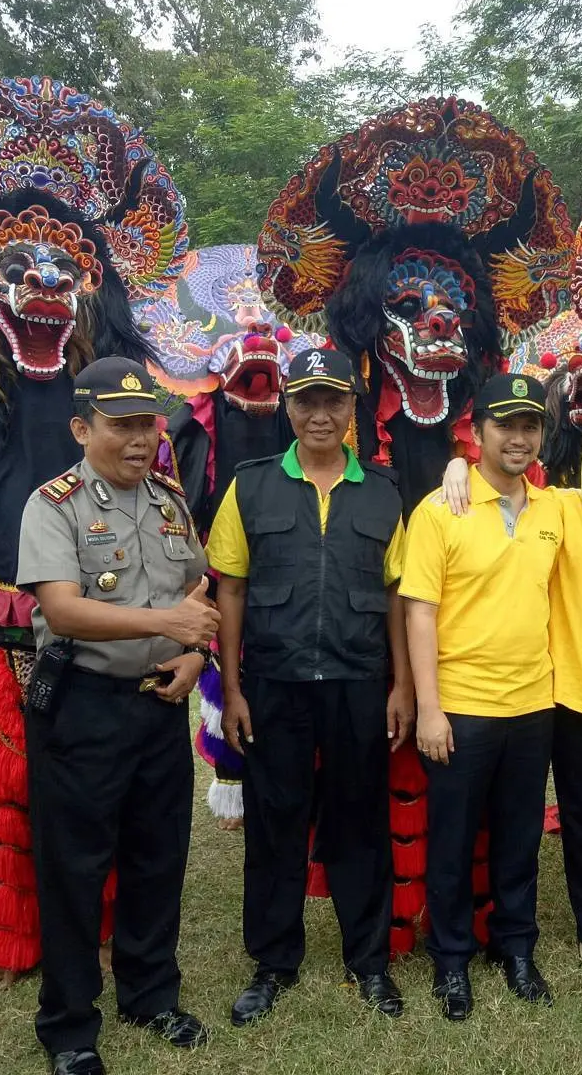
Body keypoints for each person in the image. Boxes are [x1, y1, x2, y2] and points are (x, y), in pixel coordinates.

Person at [16, 358, 218, 1075]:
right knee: (73, 870)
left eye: (146, 423)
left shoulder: (170, 499)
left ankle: (150, 993)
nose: (139, 439)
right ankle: (69, 1025)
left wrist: (194, 658)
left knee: (158, 858)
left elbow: (199, 595)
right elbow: (62, 609)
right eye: (120, 424)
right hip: (83, 710)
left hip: (159, 706)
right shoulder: (54, 502)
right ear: (82, 428)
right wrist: (167, 620)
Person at [208, 347, 414, 1026]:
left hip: (358, 681)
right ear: (288, 407)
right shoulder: (251, 485)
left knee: (361, 822)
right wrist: (231, 689)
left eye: (334, 401)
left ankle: (369, 960)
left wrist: (402, 687)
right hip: (274, 682)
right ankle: (273, 961)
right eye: (307, 400)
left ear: (353, 411)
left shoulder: (383, 491)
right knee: (275, 822)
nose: (320, 414)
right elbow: (230, 590)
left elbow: (395, 598)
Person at [443, 394, 582, 976]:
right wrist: (456, 464)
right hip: (569, 688)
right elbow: (502, 477)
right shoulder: (566, 509)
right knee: (578, 818)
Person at [403, 373, 562, 1021]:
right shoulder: (440, 510)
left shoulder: (556, 509)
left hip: (534, 702)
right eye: (506, 424)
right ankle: (450, 958)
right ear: (477, 430)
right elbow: (419, 611)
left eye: (530, 425)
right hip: (463, 705)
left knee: (520, 837)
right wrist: (430, 708)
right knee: (453, 840)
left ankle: (516, 946)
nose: (518, 437)